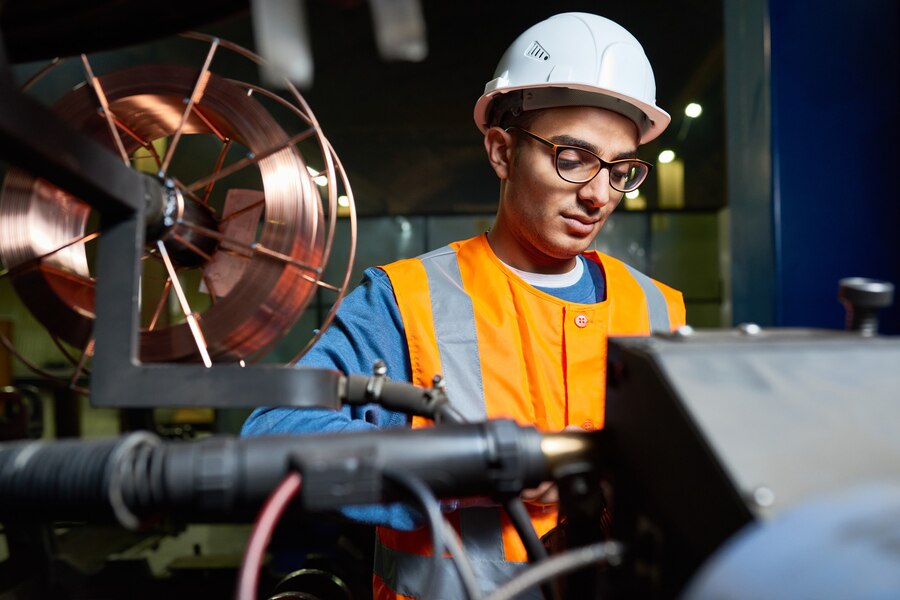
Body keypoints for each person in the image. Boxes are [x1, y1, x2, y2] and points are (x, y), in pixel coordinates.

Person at [243, 11, 685, 599]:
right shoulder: (405, 302)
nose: (599, 194)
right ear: (502, 152)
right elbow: (271, 435)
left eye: (620, 168)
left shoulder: (658, 310)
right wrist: (473, 467)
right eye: (572, 157)